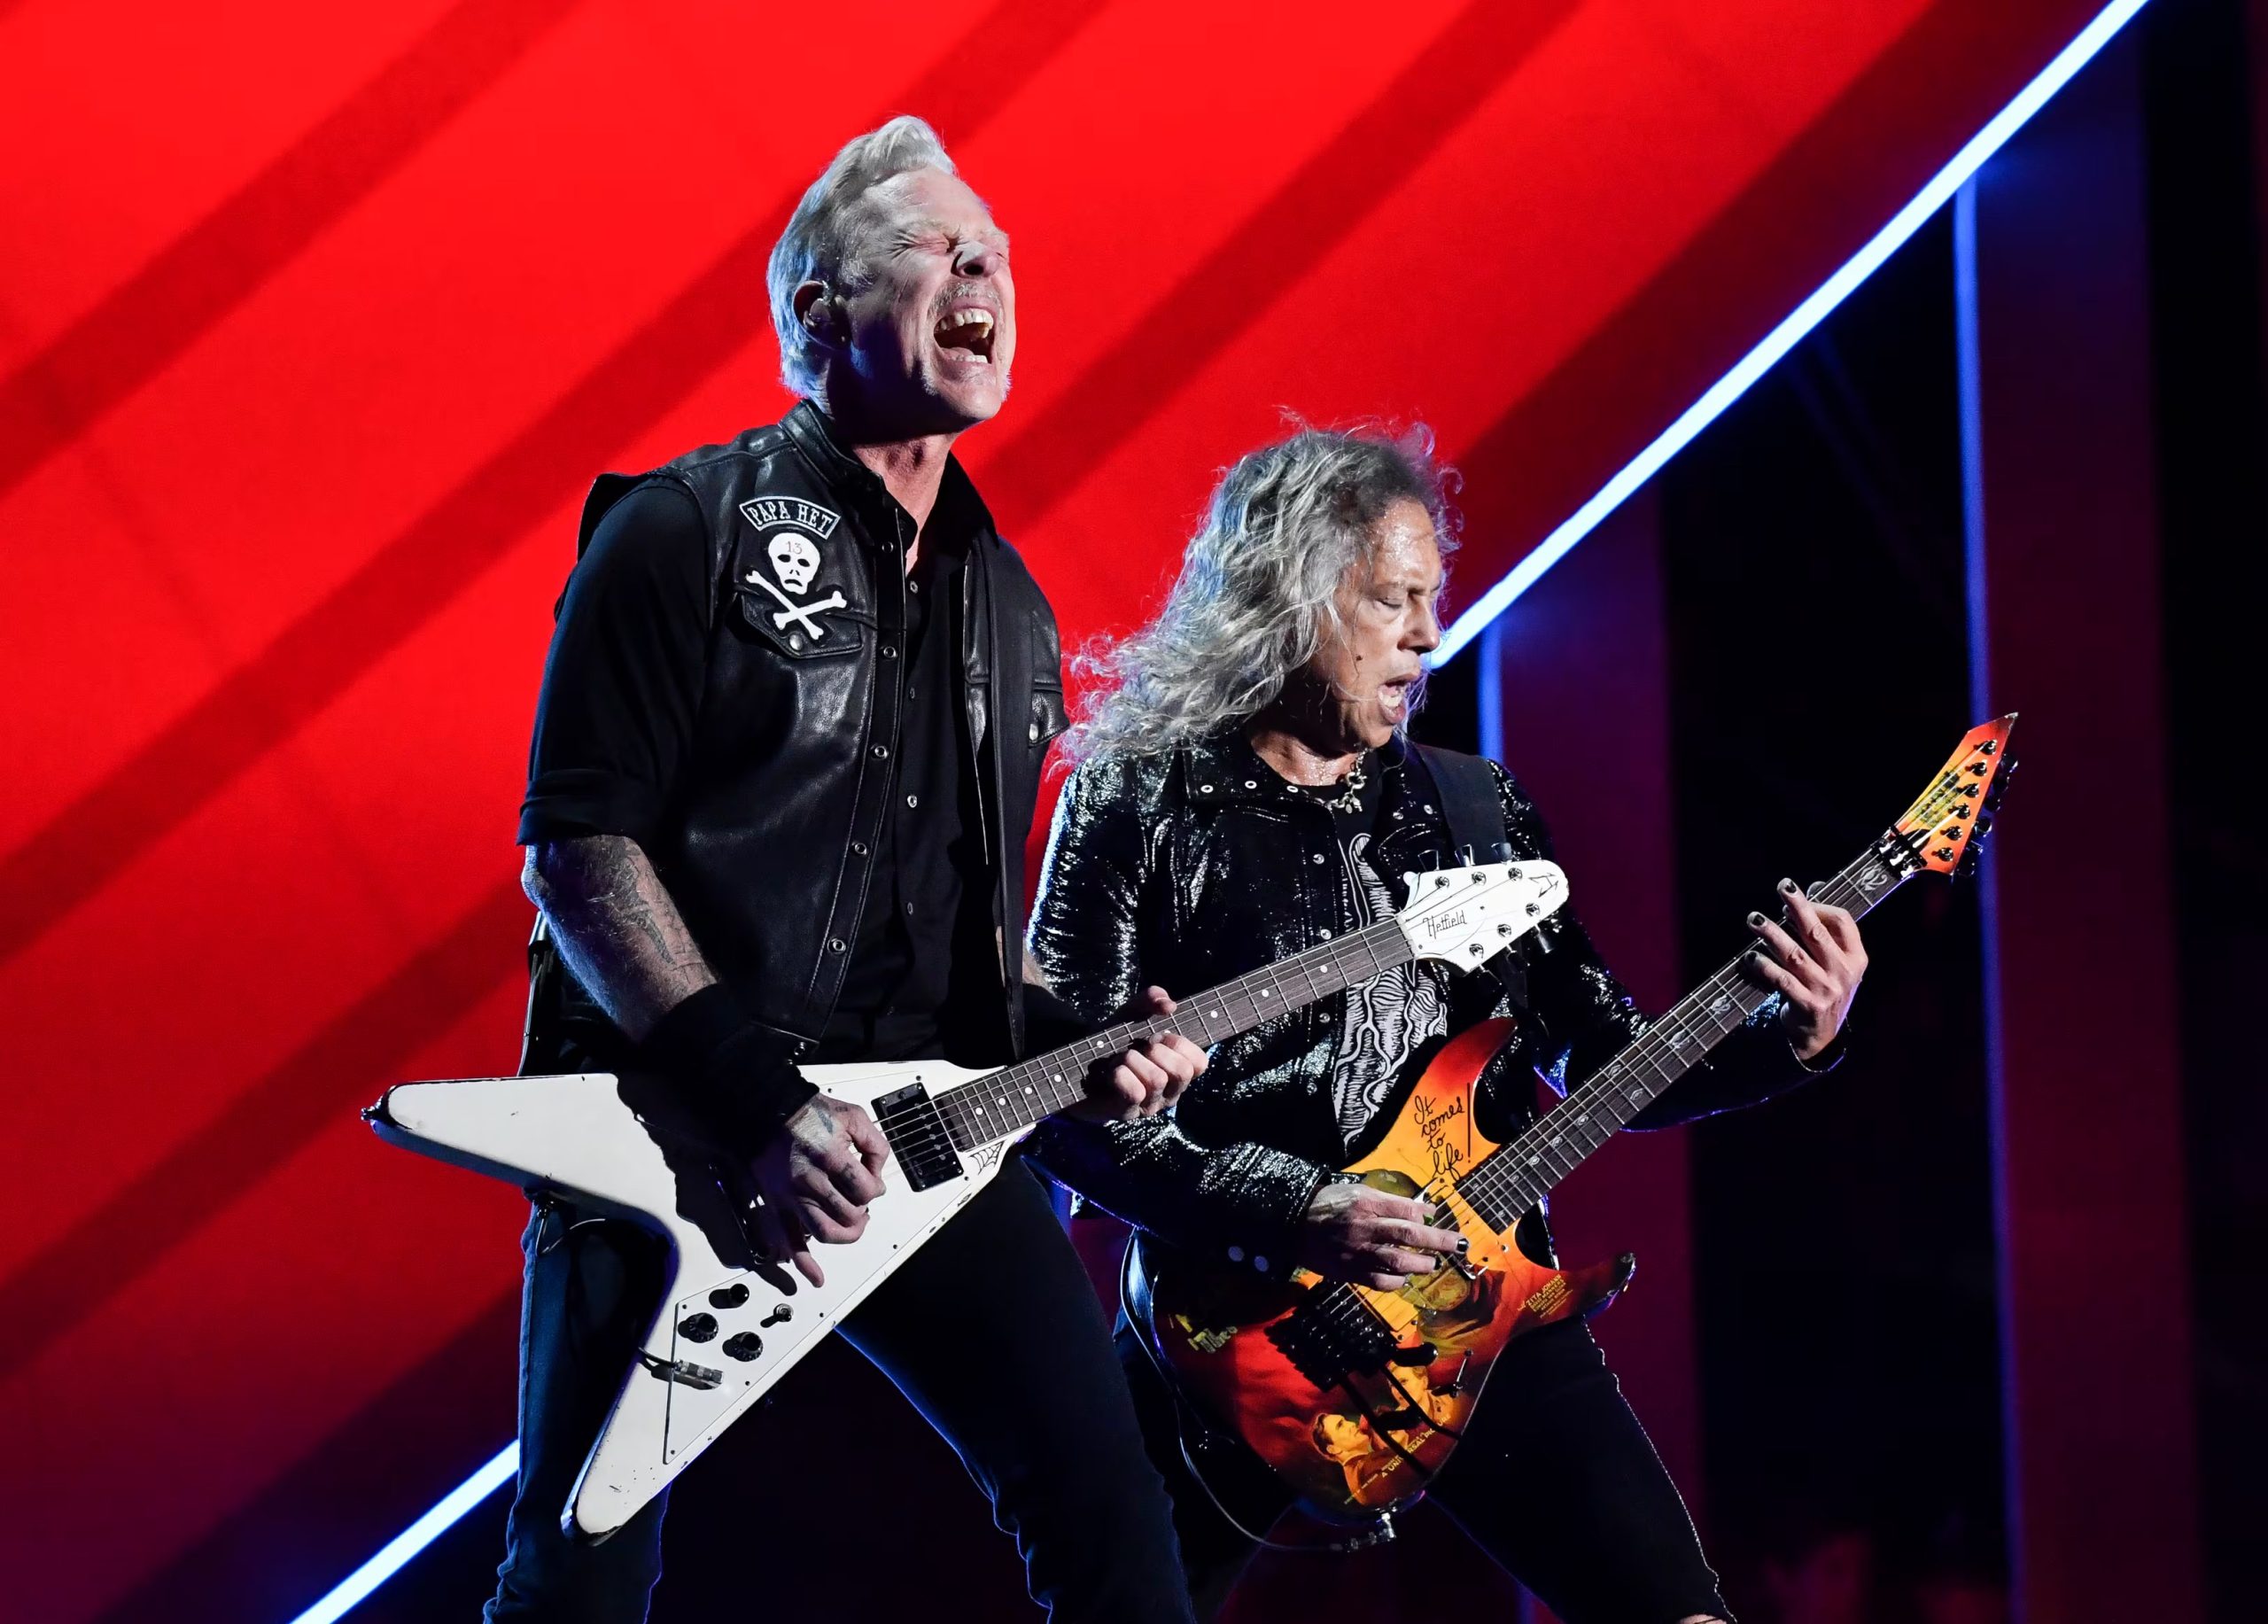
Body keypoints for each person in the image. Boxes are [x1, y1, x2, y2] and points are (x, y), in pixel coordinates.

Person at [493, 117, 1206, 1622]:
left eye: (1000, 255)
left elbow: (960, 954)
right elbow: (578, 850)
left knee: (1117, 1530)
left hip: (916, 1145)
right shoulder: (678, 529)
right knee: (577, 1583)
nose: (987, 273)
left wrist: (1088, 1042)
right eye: (944, 250)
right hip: (673, 1127)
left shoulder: (1012, 611)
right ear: (821, 307)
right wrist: (762, 1098)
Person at [1027, 425, 1868, 1624]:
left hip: (1482, 1305)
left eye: (1434, 598)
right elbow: (1063, 1110)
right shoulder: (1138, 800)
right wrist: (1302, 1208)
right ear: (1292, 597)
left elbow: (1601, 1054)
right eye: (1394, 599)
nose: (1429, 633)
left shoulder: (1477, 809)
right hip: (1233, 1337)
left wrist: (1793, 1033)